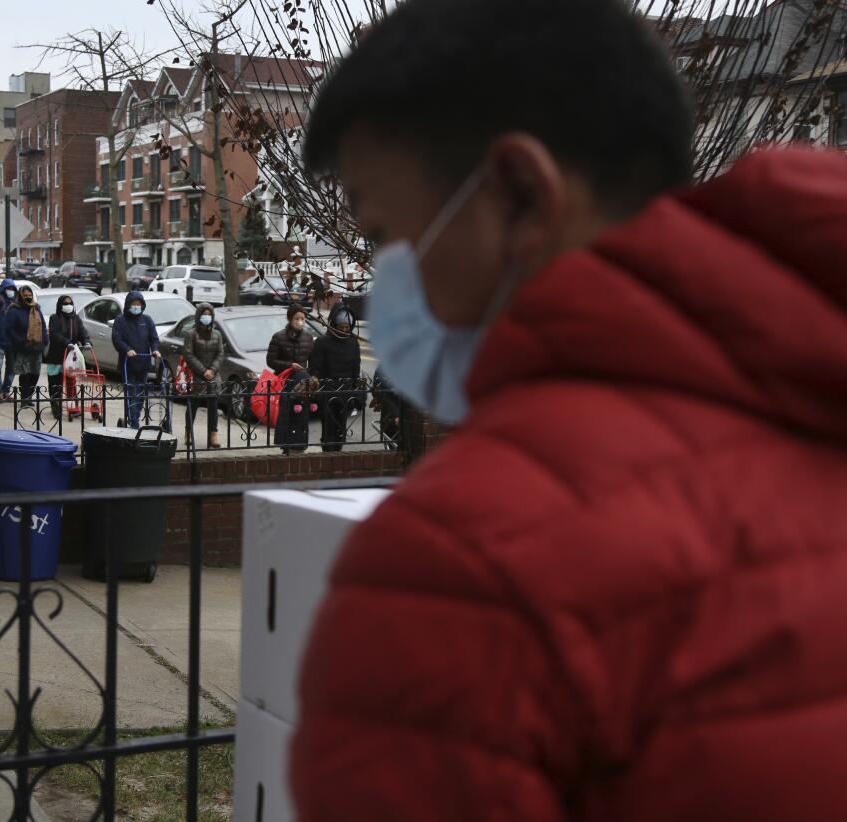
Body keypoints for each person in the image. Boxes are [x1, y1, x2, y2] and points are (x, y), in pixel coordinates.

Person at [290, 0, 847, 820]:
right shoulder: (812, 418)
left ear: (518, 195)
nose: (383, 282)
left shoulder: (462, 561)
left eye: (385, 236)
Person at [308, 304, 362, 452]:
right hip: (327, 394)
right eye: (341, 326)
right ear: (334, 324)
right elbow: (315, 368)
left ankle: (337, 455)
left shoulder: (353, 343)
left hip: (345, 394)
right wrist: (316, 381)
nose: (344, 330)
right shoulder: (322, 342)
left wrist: (355, 391)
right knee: (328, 433)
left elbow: (355, 369)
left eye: (347, 327)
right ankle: (328, 457)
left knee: (340, 433)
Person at [267, 304, 315, 453]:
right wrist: (289, 365)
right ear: (289, 319)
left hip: (303, 383)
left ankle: (300, 445)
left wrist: (311, 375)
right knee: (287, 415)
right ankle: (286, 446)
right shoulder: (279, 337)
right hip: (286, 382)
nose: (300, 321)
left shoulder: (308, 337)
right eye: (297, 318)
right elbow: (271, 361)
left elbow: (312, 361)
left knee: (301, 416)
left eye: (302, 318)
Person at [111, 291, 160, 429]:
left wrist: (155, 349)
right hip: (128, 365)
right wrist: (127, 349)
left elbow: (154, 338)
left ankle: (135, 417)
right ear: (128, 305)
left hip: (143, 364)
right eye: (133, 304)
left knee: (141, 395)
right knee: (131, 394)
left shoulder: (147, 320)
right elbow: (116, 339)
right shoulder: (120, 320)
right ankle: (134, 423)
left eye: (138, 304)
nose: (136, 307)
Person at [181, 303, 224, 448]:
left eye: (209, 314)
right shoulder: (191, 334)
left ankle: (213, 434)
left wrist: (212, 370)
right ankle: (188, 432)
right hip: (196, 375)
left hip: (213, 375)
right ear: (199, 316)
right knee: (193, 405)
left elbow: (220, 353)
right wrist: (202, 371)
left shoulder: (217, 334)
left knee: (213, 405)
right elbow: (188, 354)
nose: (207, 317)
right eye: (204, 314)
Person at [45, 293, 92, 421]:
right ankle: (56, 407)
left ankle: (73, 407)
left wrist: (86, 341)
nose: (68, 306)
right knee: (56, 383)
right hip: (56, 356)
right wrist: (67, 343)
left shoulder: (76, 318)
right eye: (65, 304)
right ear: (60, 305)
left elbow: (82, 332)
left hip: (71, 357)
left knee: (71, 382)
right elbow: (54, 335)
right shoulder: (55, 318)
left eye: (70, 303)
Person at [0, 285, 47, 408]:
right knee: (25, 373)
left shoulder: (36, 309)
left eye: (29, 295)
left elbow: (43, 326)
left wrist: (44, 342)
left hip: (37, 347)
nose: (28, 297)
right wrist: (21, 341)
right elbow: (10, 329)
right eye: (25, 295)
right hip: (23, 347)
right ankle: (24, 398)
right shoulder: (14, 310)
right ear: (20, 296)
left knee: (35, 373)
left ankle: (29, 396)